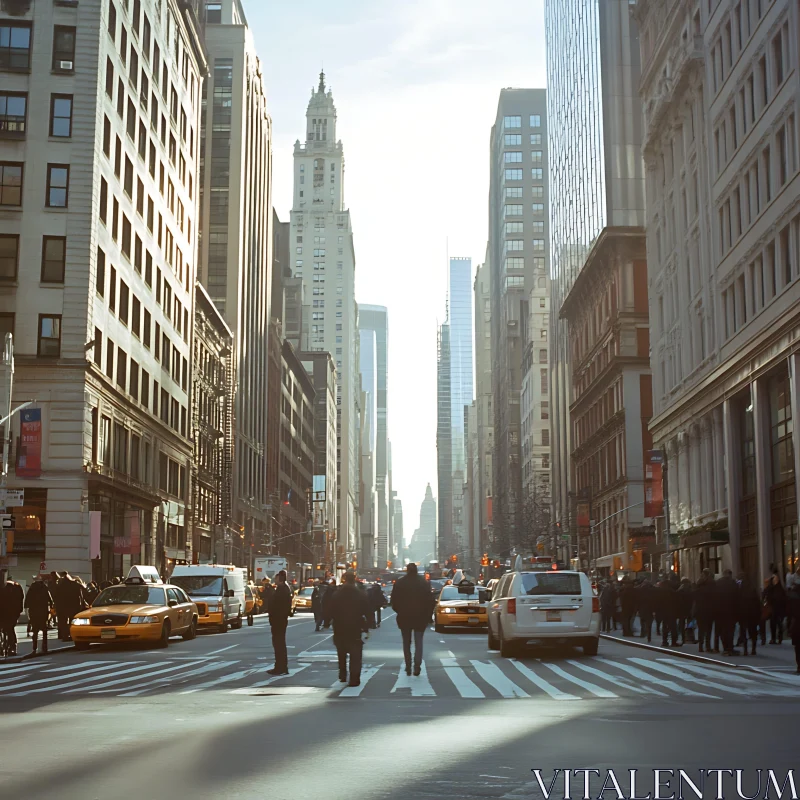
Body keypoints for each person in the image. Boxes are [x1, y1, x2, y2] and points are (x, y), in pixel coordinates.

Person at [391, 563, 434, 676]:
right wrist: (427, 615)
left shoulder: (400, 583)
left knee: (406, 642)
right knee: (419, 642)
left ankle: (408, 666)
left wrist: (400, 611)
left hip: (404, 617)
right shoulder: (424, 583)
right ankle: (417, 667)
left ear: (407, 570)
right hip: (420, 617)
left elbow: (394, 601)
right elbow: (430, 601)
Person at [328, 571, 370, 686]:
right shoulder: (360, 594)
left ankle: (342, 674)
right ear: (354, 579)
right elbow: (367, 610)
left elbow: (330, 609)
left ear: (345, 579)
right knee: (355, 654)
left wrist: (329, 621)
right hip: (355, 626)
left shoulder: (337, 594)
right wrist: (369, 625)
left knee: (341, 652)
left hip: (340, 626)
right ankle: (354, 678)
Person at [266, 570, 293, 676]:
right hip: (280, 620)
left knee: (279, 644)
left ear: (280, 579)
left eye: (276, 578)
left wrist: (273, 616)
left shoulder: (282, 590)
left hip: (279, 620)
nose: (275, 580)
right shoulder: (284, 588)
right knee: (279, 644)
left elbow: (277, 606)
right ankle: (281, 667)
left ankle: (280, 667)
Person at [25, 575, 54, 656]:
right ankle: (44, 647)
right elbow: (50, 600)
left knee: (35, 631)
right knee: (44, 630)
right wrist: (51, 608)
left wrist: (27, 608)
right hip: (43, 612)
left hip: (34, 612)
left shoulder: (32, 588)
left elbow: (27, 600)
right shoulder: (45, 587)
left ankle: (34, 648)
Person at [715, 569, 740, 655]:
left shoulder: (718, 583)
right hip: (731, 610)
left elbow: (714, 597)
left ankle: (725, 647)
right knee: (730, 630)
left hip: (720, 611)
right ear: (730, 575)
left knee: (722, 630)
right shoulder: (733, 583)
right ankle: (730, 647)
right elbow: (737, 597)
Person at [0, 577, 24, 656]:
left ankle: (3, 648)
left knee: (6, 630)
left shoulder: (5, 589)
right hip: (12, 614)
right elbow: (20, 601)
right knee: (10, 630)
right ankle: (12, 648)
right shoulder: (17, 588)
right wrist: (18, 612)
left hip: (4, 613)